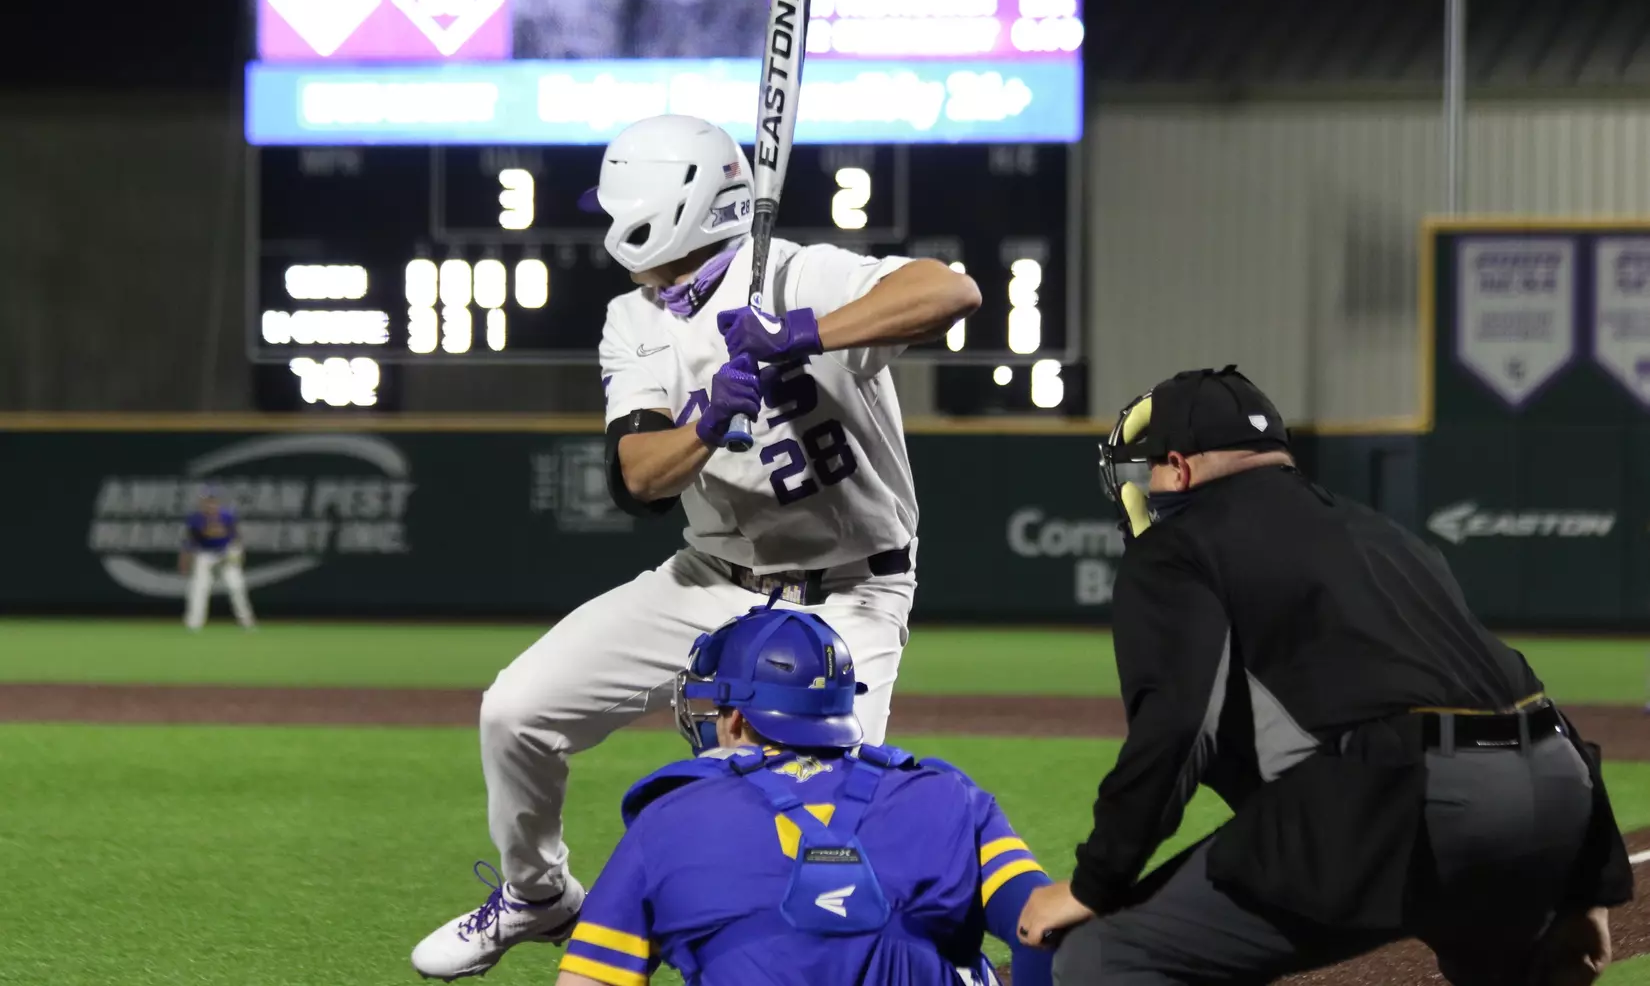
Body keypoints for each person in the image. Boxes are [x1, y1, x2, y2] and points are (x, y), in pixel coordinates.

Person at [412, 114, 981, 980]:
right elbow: (640, 478)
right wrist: (710, 419)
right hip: (710, 579)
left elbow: (952, 291)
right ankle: (536, 894)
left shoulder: (803, 271)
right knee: (515, 711)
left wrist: (802, 334)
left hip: (851, 594)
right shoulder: (633, 318)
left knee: (826, 815)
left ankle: (941, 961)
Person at [1018, 366, 1633, 985]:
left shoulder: (1177, 548)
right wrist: (1588, 882)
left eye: (1150, 467)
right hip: (1560, 793)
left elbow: (1178, 727)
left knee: (1103, 957)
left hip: (1406, 803)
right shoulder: (1384, 534)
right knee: (1496, 959)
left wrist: (1095, 882)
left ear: (1178, 468)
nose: (1147, 484)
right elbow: (1518, 685)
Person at [553, 601, 1055, 986]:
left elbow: (587, 979)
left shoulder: (665, 818)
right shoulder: (949, 796)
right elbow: (1046, 929)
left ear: (735, 718)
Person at [178, 489, 256, 631]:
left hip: (225, 553)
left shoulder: (227, 516)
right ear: (202, 503)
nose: (210, 504)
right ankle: (193, 623)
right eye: (207, 501)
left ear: (218, 502)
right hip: (205, 554)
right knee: (198, 588)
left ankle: (247, 622)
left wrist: (238, 554)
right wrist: (184, 562)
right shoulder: (196, 518)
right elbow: (189, 542)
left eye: (213, 501)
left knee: (236, 587)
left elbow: (237, 537)